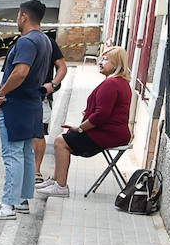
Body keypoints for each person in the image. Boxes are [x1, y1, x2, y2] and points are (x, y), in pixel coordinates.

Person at [0, 0, 52, 220]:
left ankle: (7, 206)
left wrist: (1, 94)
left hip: (17, 105)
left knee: (13, 155)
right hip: (32, 105)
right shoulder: (45, 40)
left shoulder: (26, 41)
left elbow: (20, 72)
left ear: (23, 17)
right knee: (25, 154)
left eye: (18, 16)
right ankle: (21, 200)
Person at [37, 46, 133, 197]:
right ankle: (55, 180)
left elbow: (101, 115)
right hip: (112, 132)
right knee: (65, 137)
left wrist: (80, 128)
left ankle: (61, 186)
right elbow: (107, 110)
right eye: (101, 58)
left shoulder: (112, 83)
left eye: (106, 59)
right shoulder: (120, 82)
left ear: (117, 63)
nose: (101, 62)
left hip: (109, 134)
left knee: (61, 142)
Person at [34, 35, 68, 183]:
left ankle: (36, 170)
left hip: (42, 98)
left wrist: (53, 84)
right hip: (20, 99)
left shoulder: (49, 43)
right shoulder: (19, 42)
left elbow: (62, 67)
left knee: (39, 134)